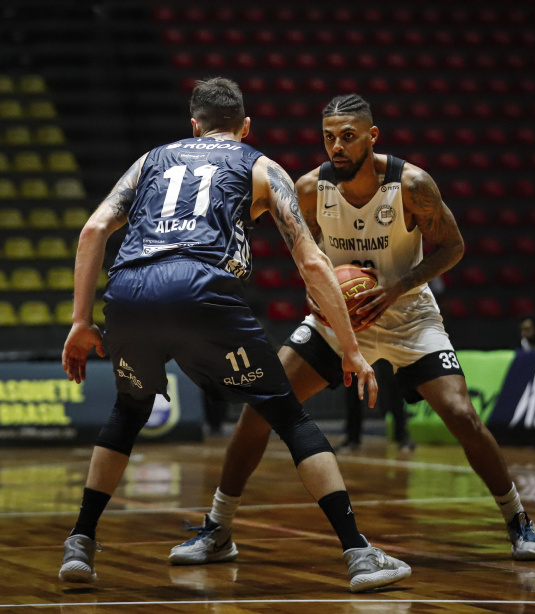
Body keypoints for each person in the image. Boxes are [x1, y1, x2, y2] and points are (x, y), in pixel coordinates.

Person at [58, 78, 411, 593]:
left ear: (194, 125)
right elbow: (312, 261)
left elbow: (93, 231)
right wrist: (352, 351)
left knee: (128, 411)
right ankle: (358, 553)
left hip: (129, 291)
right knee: (288, 416)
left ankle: (80, 544)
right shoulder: (261, 165)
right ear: (245, 128)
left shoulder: (152, 159)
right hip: (200, 288)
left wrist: (79, 322)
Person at [175, 93, 535, 566]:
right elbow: (305, 254)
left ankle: (518, 520)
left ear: (372, 137)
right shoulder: (309, 188)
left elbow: (453, 247)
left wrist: (397, 287)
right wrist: (314, 294)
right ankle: (217, 529)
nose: (337, 146)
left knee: (461, 414)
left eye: (348, 137)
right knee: (260, 410)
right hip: (338, 321)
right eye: (329, 136)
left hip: (408, 315)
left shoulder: (411, 184)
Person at [337, 360, 414, 453]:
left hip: (385, 346)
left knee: (392, 381)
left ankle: (402, 436)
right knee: (353, 383)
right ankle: (352, 438)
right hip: (362, 346)